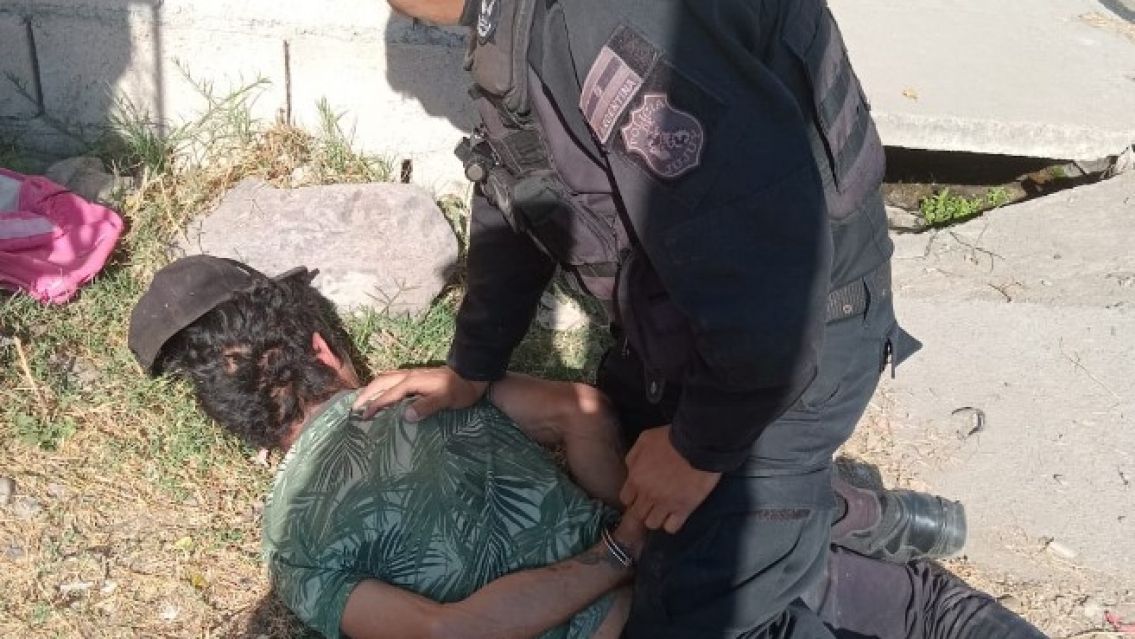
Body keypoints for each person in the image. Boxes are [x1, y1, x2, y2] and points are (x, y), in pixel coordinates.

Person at [355, 1, 961, 637]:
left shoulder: (610, 23)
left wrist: (698, 449)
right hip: (699, 334)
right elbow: (521, 183)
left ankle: (918, 595)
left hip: (790, 345)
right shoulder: (522, 18)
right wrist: (472, 367)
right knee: (644, 495)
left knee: (694, 611)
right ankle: (855, 514)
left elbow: (766, 272)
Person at [127, 256, 1046, 639]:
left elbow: (451, 633)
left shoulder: (293, 550)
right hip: (695, 564)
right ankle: (886, 518)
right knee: (925, 608)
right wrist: (624, 530)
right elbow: (577, 409)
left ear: (226, 420)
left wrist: (610, 563)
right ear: (325, 347)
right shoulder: (424, 391)